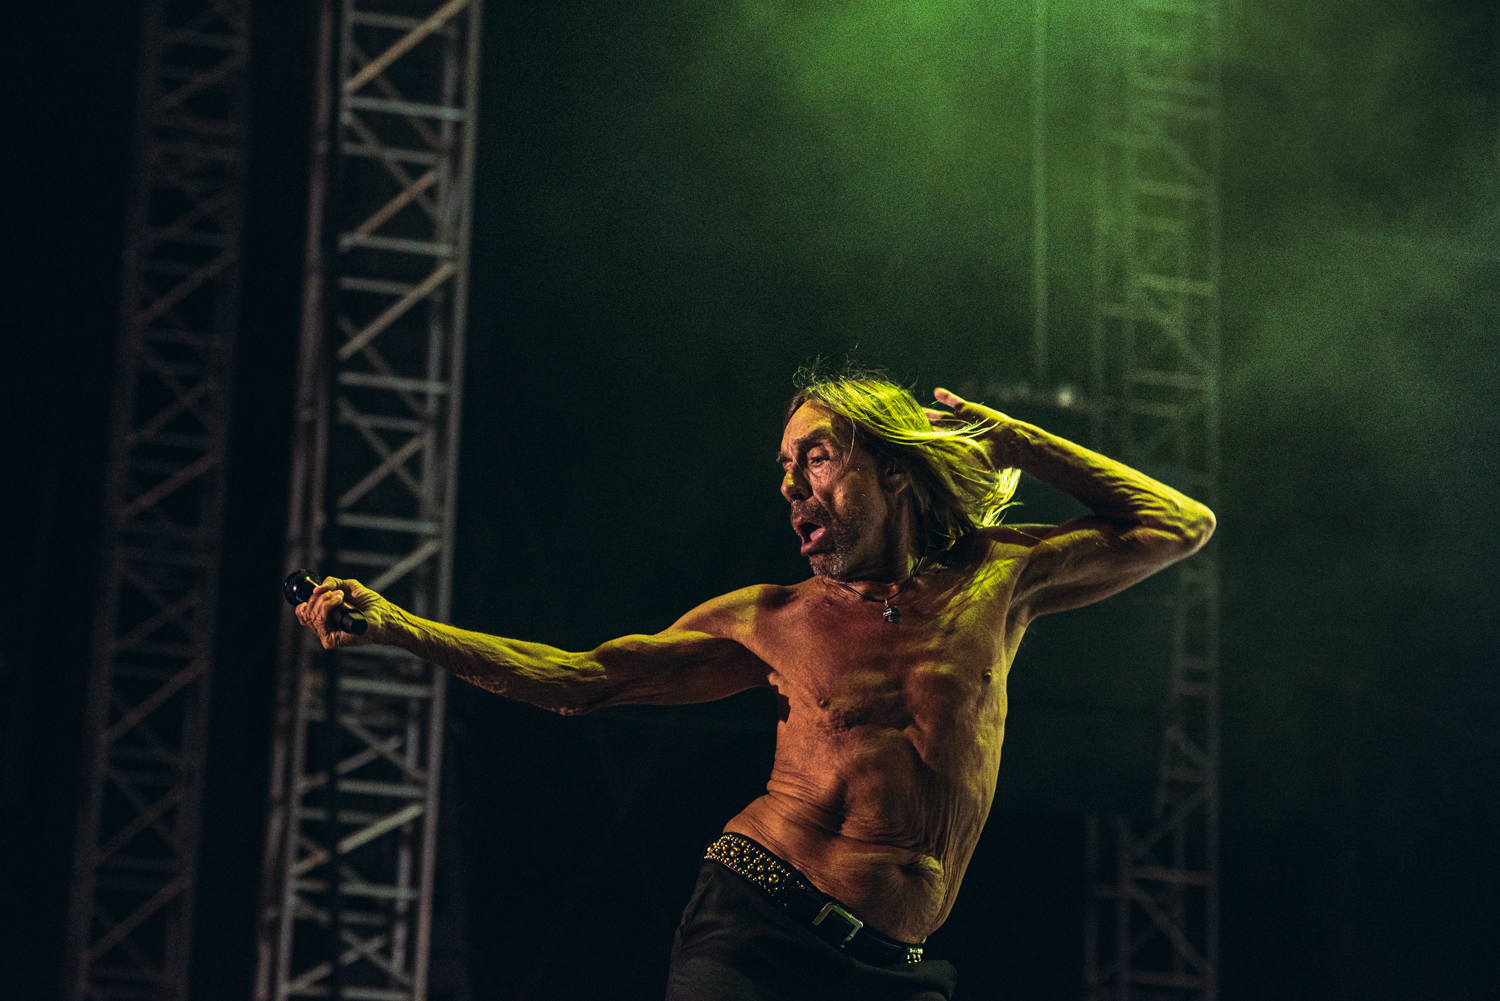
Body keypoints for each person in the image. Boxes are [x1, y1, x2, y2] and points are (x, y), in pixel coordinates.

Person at [294, 371, 1216, 1001]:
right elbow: (583, 680)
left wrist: (1016, 440)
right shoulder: (770, 618)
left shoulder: (998, 577)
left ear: (894, 467)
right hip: (759, 930)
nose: (790, 487)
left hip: (894, 968)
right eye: (784, 468)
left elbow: (1180, 523)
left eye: (816, 456)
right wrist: (400, 624)